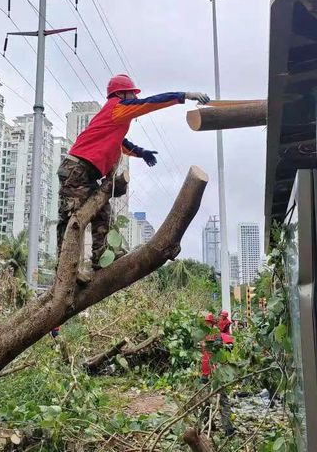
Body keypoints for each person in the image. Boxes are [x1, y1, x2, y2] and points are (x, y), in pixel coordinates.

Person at [56, 74, 210, 268]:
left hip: (85, 173)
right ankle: (65, 270)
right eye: (132, 93)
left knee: (103, 213)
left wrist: (141, 152)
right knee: (71, 222)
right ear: (121, 93)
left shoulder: (113, 116)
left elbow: (120, 142)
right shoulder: (117, 107)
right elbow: (150, 103)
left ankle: (100, 256)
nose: (136, 98)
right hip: (76, 170)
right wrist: (185, 95)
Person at [200, 313, 235, 437]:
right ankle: (224, 428)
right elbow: (229, 347)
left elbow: (229, 345)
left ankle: (212, 426)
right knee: (218, 401)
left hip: (210, 373)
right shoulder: (212, 336)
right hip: (213, 373)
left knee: (209, 400)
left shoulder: (207, 336)